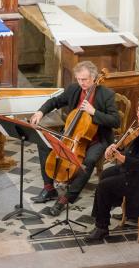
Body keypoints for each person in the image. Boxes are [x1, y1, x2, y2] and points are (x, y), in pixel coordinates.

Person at [29, 61, 120, 216]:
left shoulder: (106, 94)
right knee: (44, 144)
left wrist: (93, 112)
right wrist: (40, 112)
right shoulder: (74, 89)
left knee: (88, 161)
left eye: (84, 79)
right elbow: (55, 101)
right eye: (78, 79)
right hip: (72, 136)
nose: (81, 83)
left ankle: (66, 198)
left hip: (97, 139)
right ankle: (49, 188)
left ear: (93, 77)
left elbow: (115, 121)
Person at [84, 96, 139, 242]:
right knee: (105, 174)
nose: (138, 115)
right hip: (137, 171)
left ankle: (102, 227)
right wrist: (115, 146)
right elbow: (130, 146)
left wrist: (120, 157)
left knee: (104, 186)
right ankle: (124, 209)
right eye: (138, 110)